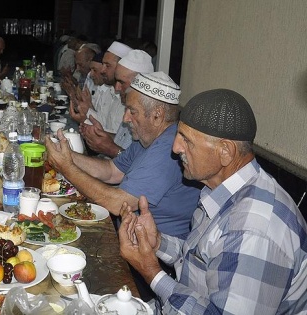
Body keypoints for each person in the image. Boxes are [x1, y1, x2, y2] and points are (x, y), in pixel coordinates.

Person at [118, 89, 307, 314]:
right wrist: (156, 242)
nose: (176, 148)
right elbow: (204, 261)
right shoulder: (219, 191)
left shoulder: (254, 229)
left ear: (225, 151)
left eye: (186, 140)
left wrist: (152, 272)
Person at [45, 71, 201, 301]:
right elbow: (110, 171)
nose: (125, 118)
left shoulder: (168, 148)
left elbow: (118, 202)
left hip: (156, 263)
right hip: (131, 245)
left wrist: (67, 167)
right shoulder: (149, 138)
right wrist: (67, 154)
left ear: (157, 115)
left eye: (132, 111)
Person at [80, 50, 154, 158]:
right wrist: (100, 134)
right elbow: (120, 141)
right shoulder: (130, 110)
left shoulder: (150, 118)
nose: (117, 88)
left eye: (122, 82)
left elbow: (138, 167)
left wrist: (111, 149)